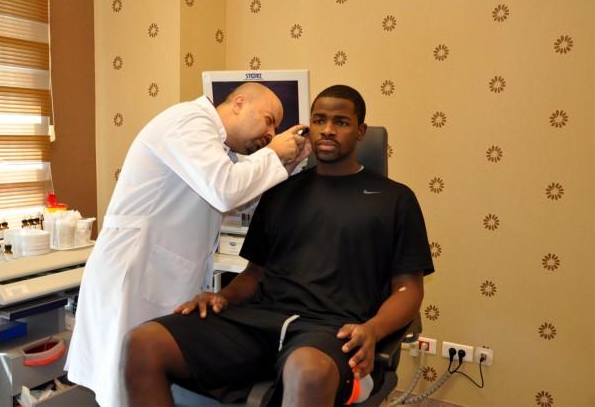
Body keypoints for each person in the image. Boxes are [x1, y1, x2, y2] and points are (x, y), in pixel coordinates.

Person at [122, 85, 435, 407]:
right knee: (144, 343)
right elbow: (255, 273)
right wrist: (222, 297)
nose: (328, 130)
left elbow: (408, 289)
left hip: (332, 329)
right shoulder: (281, 191)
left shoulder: (394, 199)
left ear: (361, 131)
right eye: (319, 120)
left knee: (307, 370)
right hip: (260, 320)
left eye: (341, 122)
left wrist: (373, 330)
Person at [65, 82, 312, 407]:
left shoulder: (219, 147)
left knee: (148, 377)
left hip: (161, 273)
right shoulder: (189, 122)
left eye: (276, 128)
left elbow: (240, 199)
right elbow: (225, 191)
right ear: (239, 103)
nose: (271, 133)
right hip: (134, 271)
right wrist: (275, 153)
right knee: (127, 382)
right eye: (269, 120)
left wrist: (288, 164)